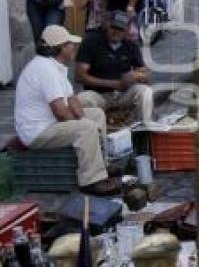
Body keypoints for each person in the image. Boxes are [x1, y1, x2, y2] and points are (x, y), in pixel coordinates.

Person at [14, 25, 121, 196]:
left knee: (96, 114)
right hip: (36, 132)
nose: (74, 47)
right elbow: (61, 112)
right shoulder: (45, 69)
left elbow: (71, 99)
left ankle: (101, 164)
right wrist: (82, 122)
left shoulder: (56, 67)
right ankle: (91, 180)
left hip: (49, 123)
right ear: (60, 48)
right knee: (85, 128)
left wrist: (82, 117)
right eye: (70, 44)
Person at [75, 11, 153, 122]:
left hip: (123, 94)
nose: (116, 32)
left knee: (145, 92)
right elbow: (79, 76)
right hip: (98, 94)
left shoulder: (131, 45)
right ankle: (93, 131)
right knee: (82, 99)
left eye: (121, 29)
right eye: (113, 27)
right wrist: (113, 84)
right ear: (107, 25)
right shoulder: (90, 42)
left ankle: (142, 129)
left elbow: (145, 75)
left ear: (127, 30)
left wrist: (135, 75)